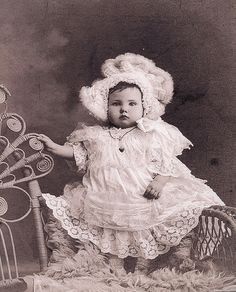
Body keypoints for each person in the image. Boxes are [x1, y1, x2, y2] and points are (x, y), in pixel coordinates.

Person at [38, 53, 224, 274]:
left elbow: (168, 163)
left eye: (132, 103)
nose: (124, 109)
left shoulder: (150, 133)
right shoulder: (97, 135)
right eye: (116, 104)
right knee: (112, 229)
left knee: (144, 225)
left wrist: (160, 181)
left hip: (142, 193)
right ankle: (114, 267)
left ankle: (143, 267)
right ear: (106, 108)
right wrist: (56, 148)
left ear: (144, 106)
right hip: (107, 194)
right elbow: (80, 154)